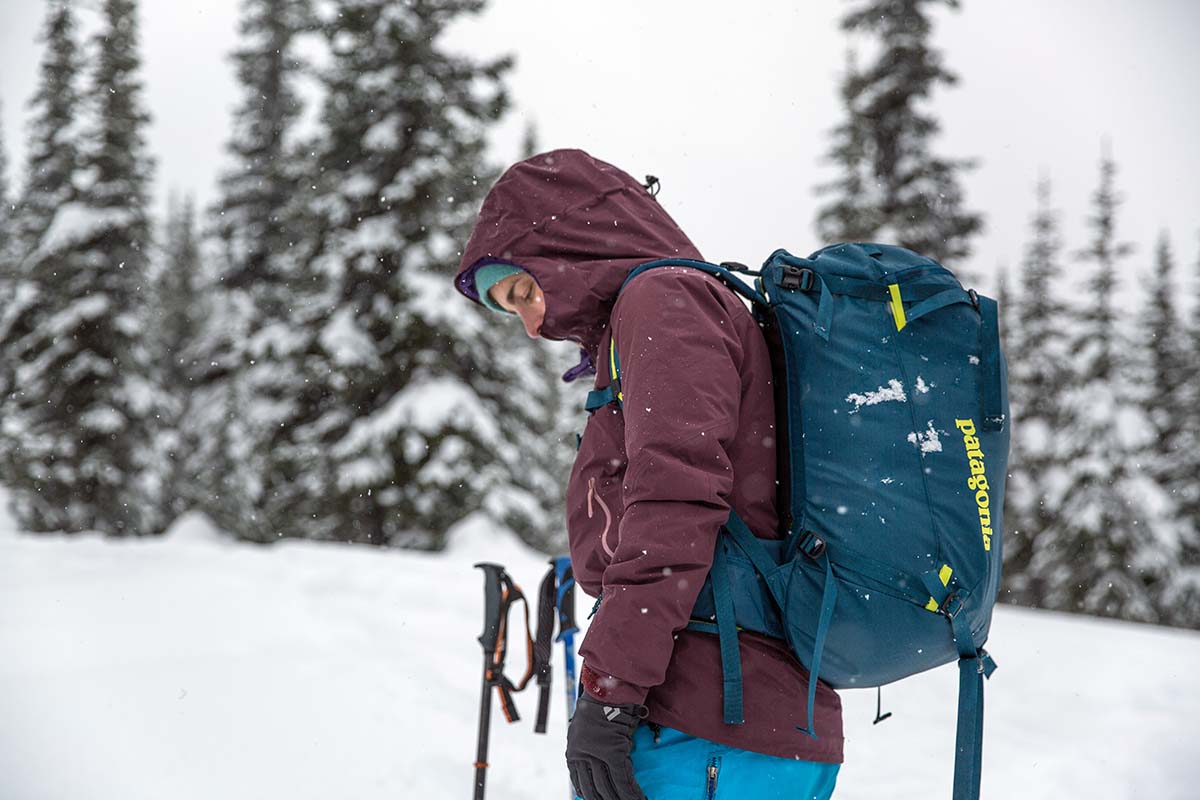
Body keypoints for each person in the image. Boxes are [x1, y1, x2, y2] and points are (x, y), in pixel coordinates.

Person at [453, 149, 842, 800]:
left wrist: (611, 692)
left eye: (522, 292)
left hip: (706, 727)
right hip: (733, 720)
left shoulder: (665, 302)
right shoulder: (668, 308)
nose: (528, 325)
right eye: (506, 310)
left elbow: (676, 503)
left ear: (569, 245)